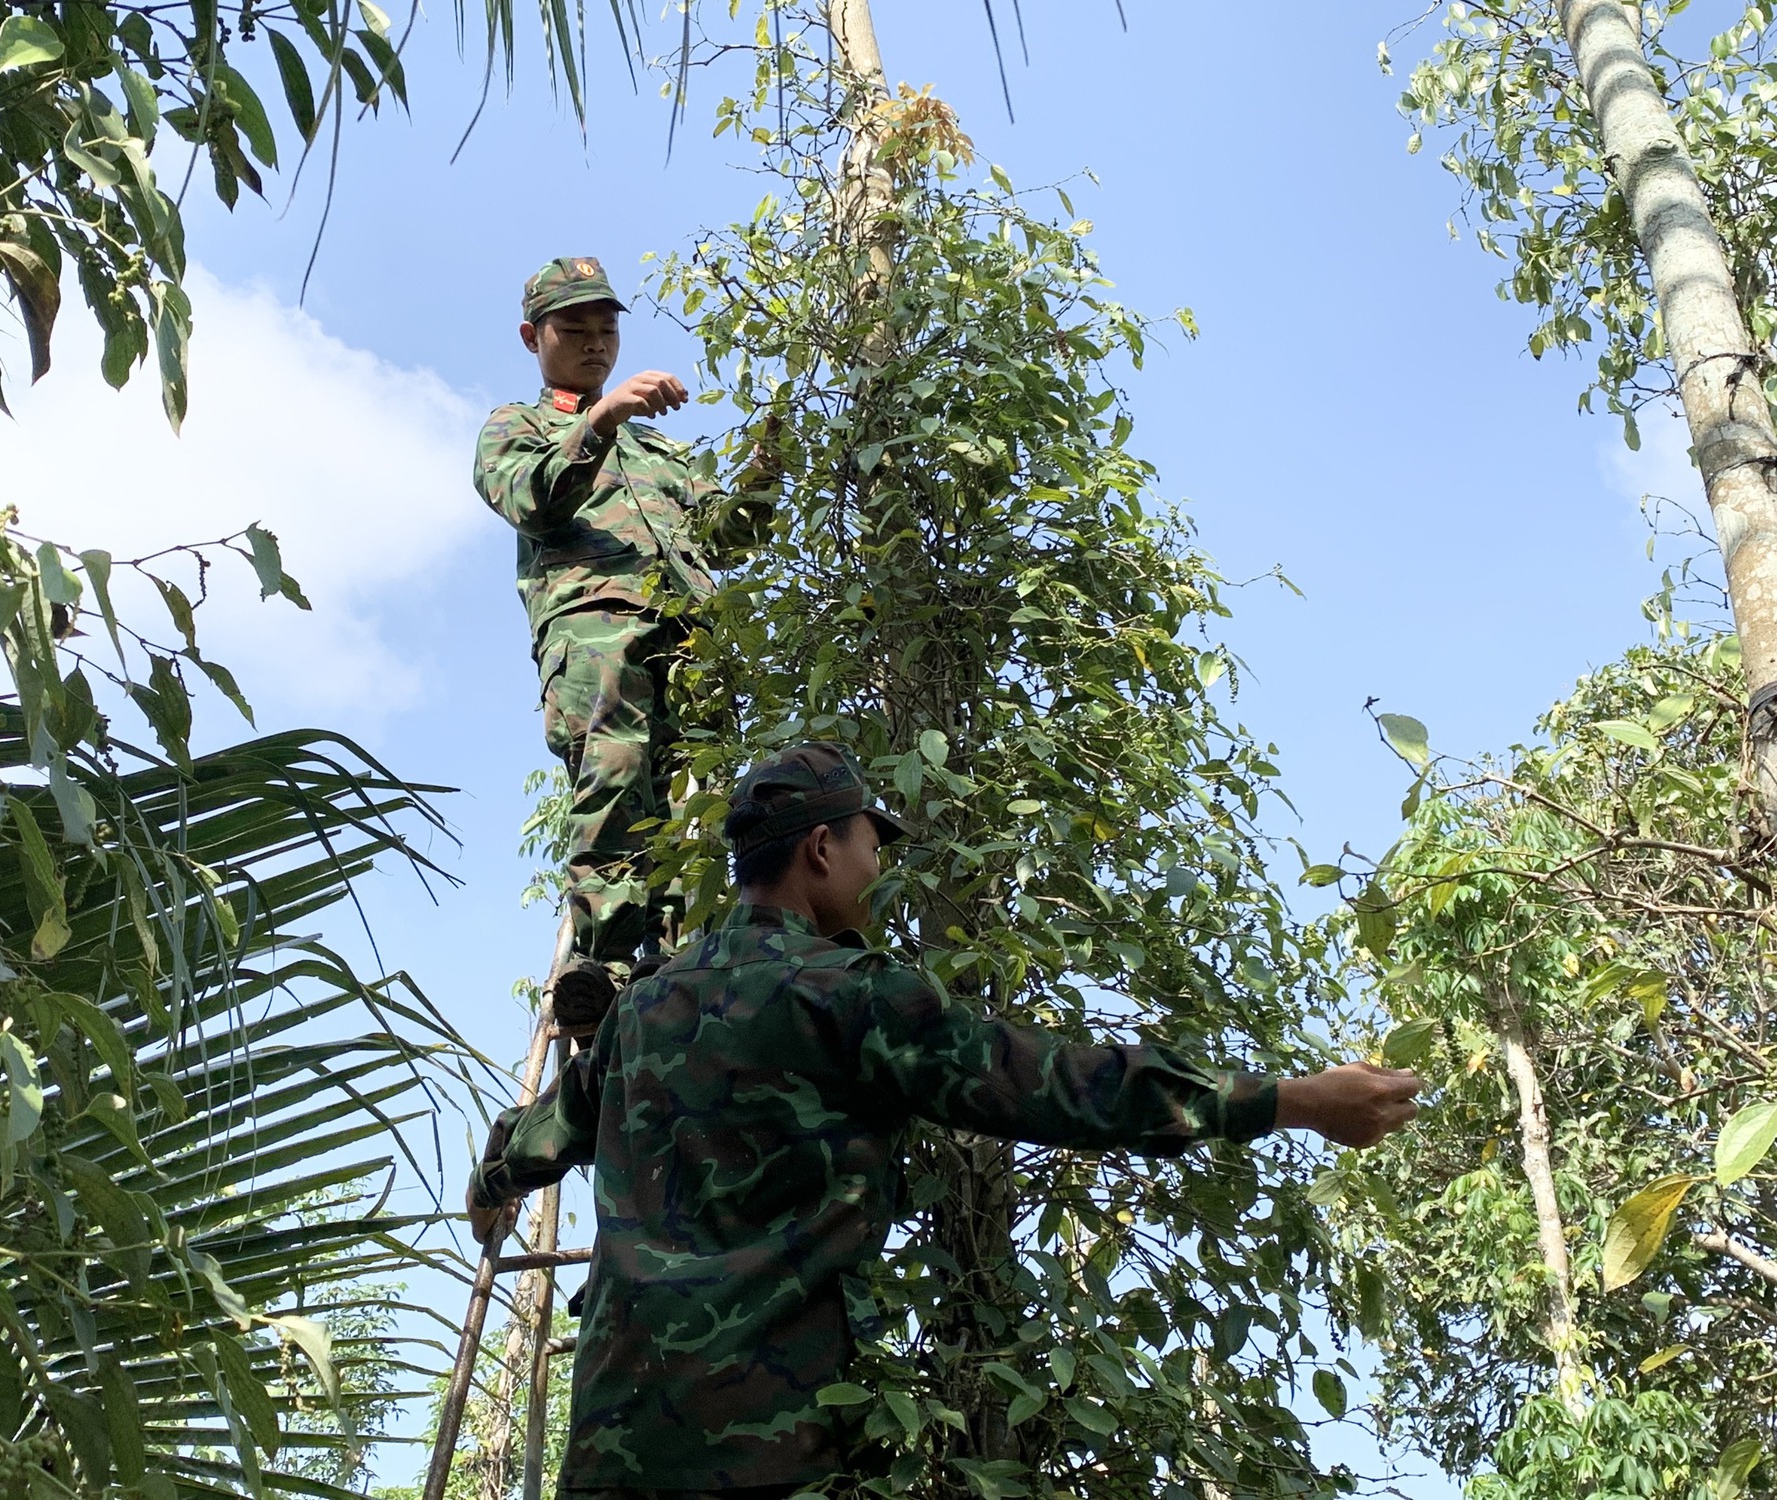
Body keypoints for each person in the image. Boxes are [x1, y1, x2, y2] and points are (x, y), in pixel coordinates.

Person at [468, 741, 1425, 1497]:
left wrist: (490, 1188)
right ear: (820, 850)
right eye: (871, 845)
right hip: (777, 1450)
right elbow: (1058, 1084)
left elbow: (539, 1135)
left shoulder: (642, 1013)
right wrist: (1294, 1100)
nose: (877, 867)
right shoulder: (851, 995)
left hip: (613, 1442)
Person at [474, 256, 726, 1025]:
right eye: (574, 330)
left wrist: (766, 472)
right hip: (595, 624)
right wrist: (602, 418)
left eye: (606, 330)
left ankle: (694, 956)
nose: (594, 344)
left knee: (703, 798)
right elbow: (528, 499)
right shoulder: (518, 427)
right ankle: (608, 959)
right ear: (533, 337)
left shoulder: (663, 452)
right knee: (616, 768)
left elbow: (728, 534)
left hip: (689, 634)